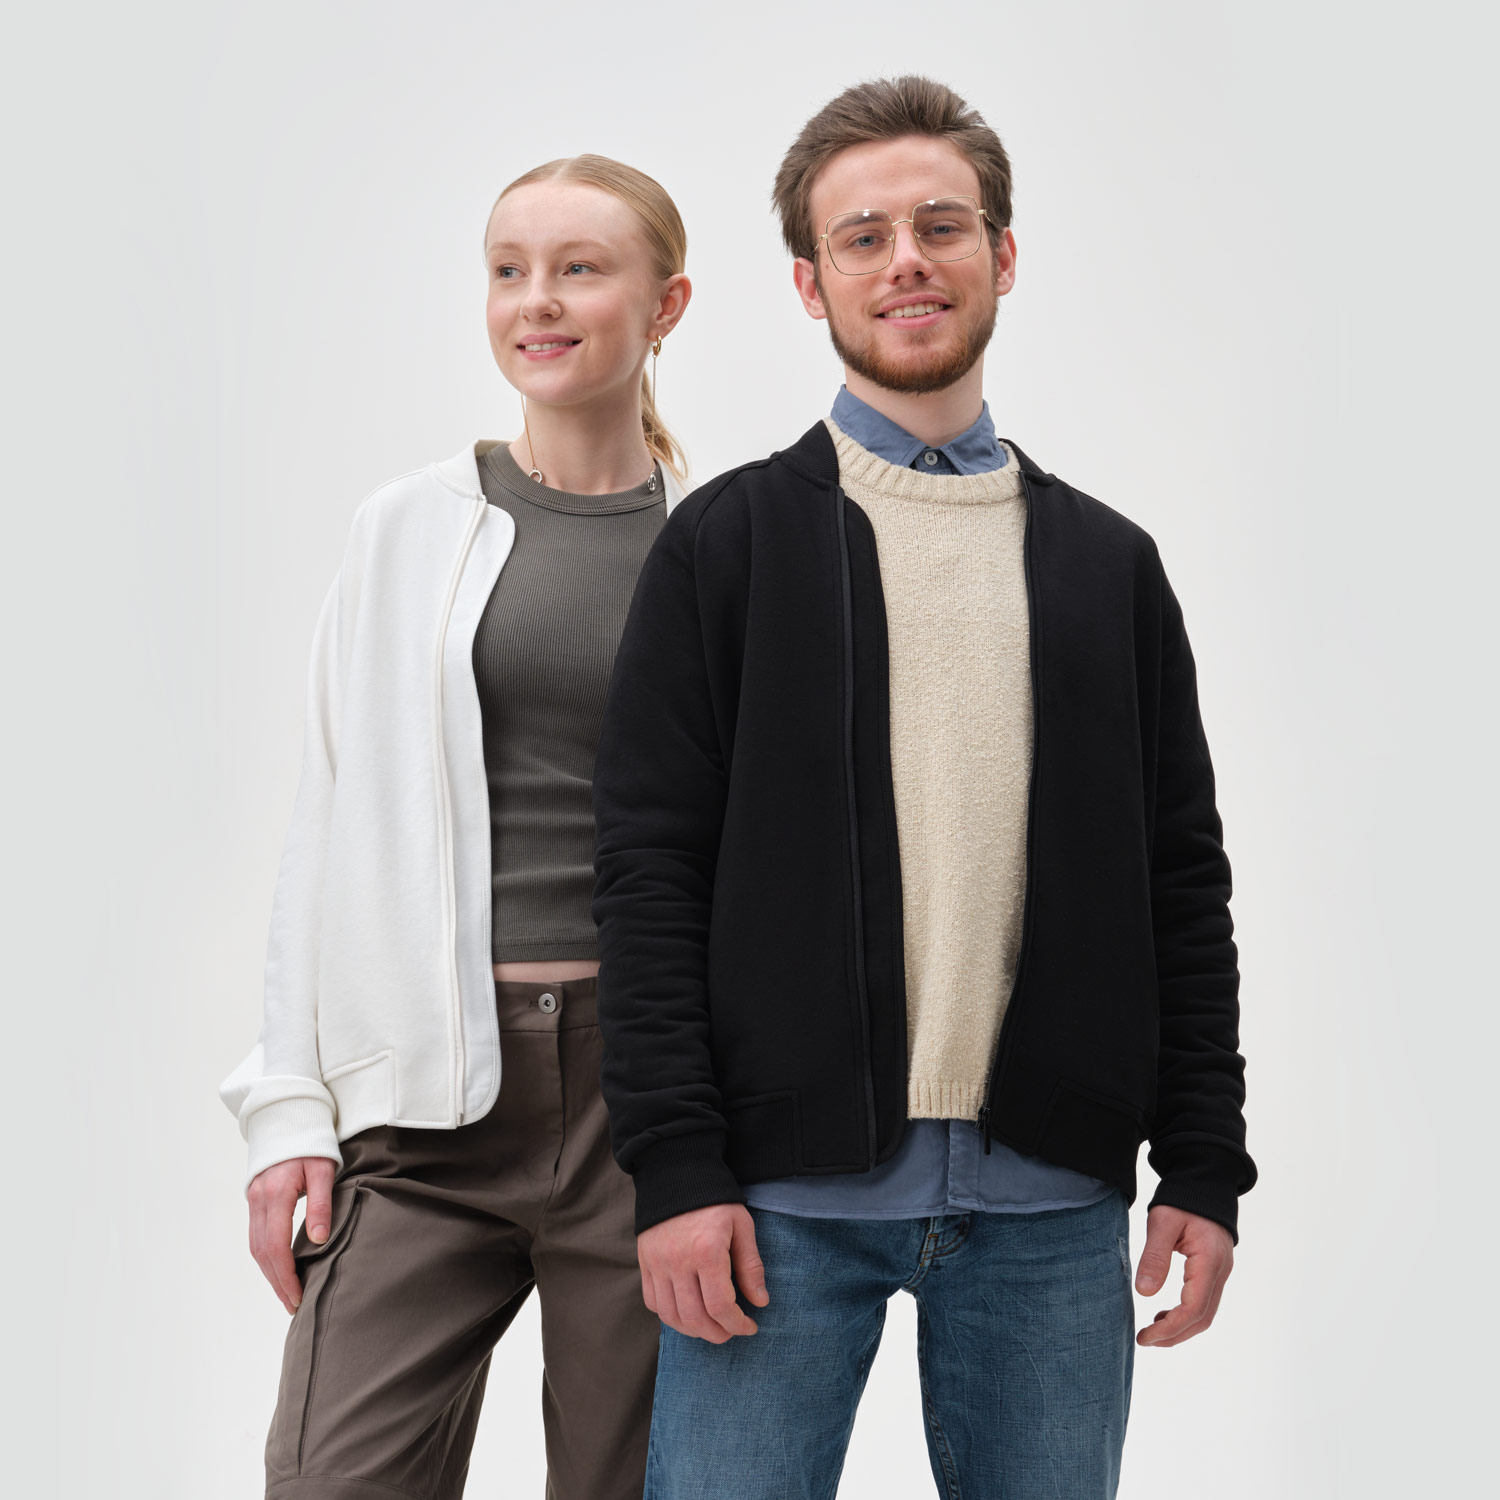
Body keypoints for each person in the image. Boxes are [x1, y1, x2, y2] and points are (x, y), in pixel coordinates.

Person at [590, 77, 1255, 1499]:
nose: (907, 261)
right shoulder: (726, 548)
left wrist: (1204, 1164)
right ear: (810, 282)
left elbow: (1180, 886)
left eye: (942, 227)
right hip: (771, 1206)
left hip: (1054, 1209)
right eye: (864, 237)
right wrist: (677, 1169)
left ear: (1001, 256)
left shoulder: (1108, 567)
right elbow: (650, 877)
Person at [219, 153, 692, 1500]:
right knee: (333, 1477)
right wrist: (287, 1111)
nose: (536, 300)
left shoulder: (716, 546)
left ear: (667, 304)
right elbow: (326, 821)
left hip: (644, 1106)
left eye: (579, 268)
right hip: (421, 1111)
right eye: (507, 269)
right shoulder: (408, 530)